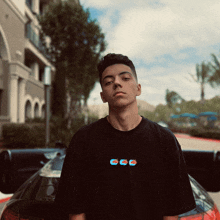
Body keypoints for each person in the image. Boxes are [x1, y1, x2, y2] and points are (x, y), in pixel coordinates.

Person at [55, 53, 196, 220]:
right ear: (103, 96)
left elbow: (172, 211)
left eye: (125, 78)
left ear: (138, 89)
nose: (116, 83)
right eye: (108, 82)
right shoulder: (83, 140)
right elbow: (76, 212)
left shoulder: (164, 140)